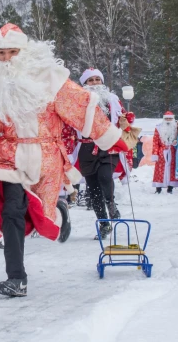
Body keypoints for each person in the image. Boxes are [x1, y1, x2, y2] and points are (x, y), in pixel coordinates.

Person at [0, 24, 127, 296]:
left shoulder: (50, 78)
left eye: (13, 51)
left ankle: (58, 207)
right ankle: (17, 277)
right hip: (9, 157)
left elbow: (79, 104)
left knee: (41, 215)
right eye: (1, 53)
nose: (7, 58)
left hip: (46, 156)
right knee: (12, 210)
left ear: (24, 51)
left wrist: (107, 135)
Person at [77, 68, 126, 239]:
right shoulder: (78, 101)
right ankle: (104, 224)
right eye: (91, 81)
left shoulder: (112, 99)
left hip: (107, 145)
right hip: (87, 148)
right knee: (94, 190)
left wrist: (127, 120)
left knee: (105, 177)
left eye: (98, 79)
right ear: (84, 84)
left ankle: (111, 205)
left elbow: (123, 118)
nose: (95, 83)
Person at [151, 111, 178, 193]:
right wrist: (155, 154)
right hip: (162, 151)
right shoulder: (158, 127)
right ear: (164, 119)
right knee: (160, 169)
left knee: (172, 169)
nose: (168, 120)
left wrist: (176, 142)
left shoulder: (177, 127)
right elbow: (155, 142)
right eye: (167, 118)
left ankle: (170, 187)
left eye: (170, 118)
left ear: (173, 119)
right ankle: (158, 188)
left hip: (173, 151)